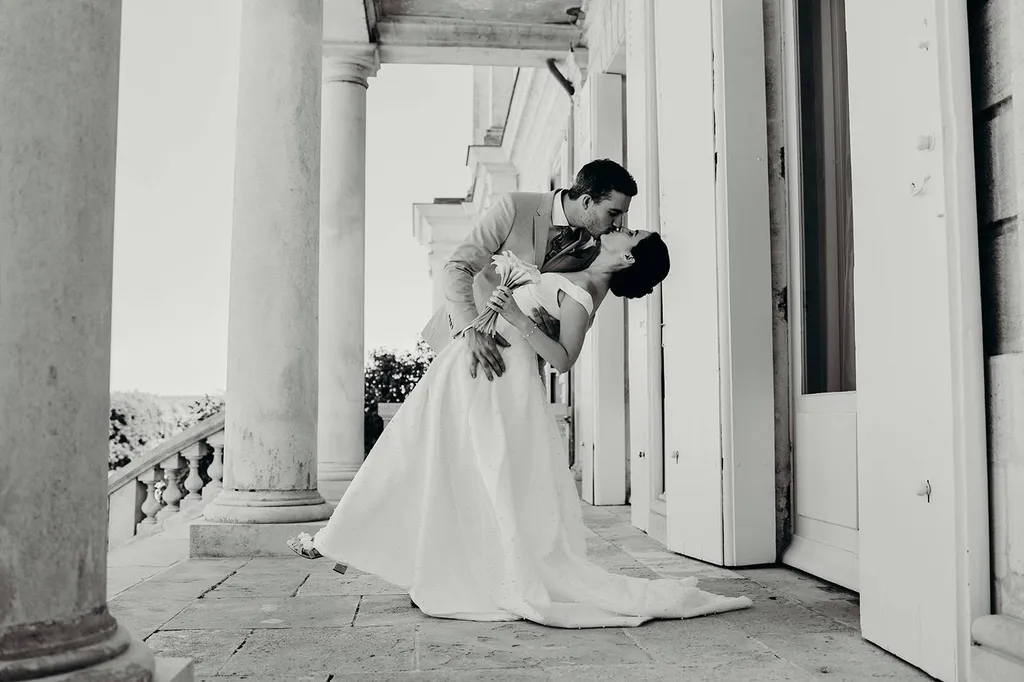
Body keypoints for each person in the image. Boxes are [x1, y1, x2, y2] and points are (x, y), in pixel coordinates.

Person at [286, 225, 753, 628]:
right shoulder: (580, 267)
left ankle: (347, 541)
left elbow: (564, 359)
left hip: (498, 377)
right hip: (480, 361)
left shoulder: (587, 291)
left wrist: (512, 316)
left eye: (629, 233)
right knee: (421, 451)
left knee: (442, 456)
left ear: (627, 256)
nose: (620, 228)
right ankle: (352, 541)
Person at [420, 158, 636, 380]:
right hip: (465, 345)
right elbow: (458, 266)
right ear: (587, 201)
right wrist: (471, 330)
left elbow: (583, 308)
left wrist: (553, 331)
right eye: (613, 213)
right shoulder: (514, 207)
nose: (618, 223)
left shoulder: (594, 248)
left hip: (520, 363)